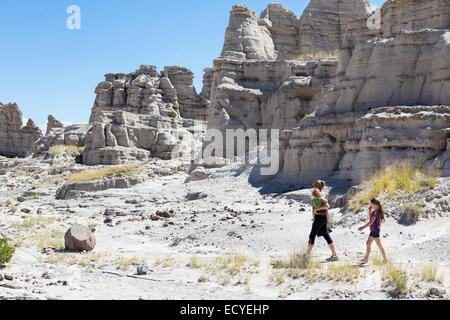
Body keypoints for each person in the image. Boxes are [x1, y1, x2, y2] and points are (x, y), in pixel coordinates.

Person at [306, 180, 339, 262]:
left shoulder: (320, 195)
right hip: (323, 217)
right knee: (326, 235)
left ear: (316, 187)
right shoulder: (320, 194)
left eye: (313, 185)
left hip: (319, 218)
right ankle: (334, 255)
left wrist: (316, 211)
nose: (312, 187)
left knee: (312, 235)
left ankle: (306, 256)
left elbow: (326, 206)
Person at [358, 198, 388, 264]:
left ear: (374, 205)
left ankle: (385, 260)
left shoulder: (376, 212)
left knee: (379, 246)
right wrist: (369, 211)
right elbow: (371, 219)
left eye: (371, 204)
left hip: (375, 230)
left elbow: (371, 222)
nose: (371, 205)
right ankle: (366, 258)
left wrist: (362, 227)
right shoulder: (376, 211)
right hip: (374, 230)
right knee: (368, 243)